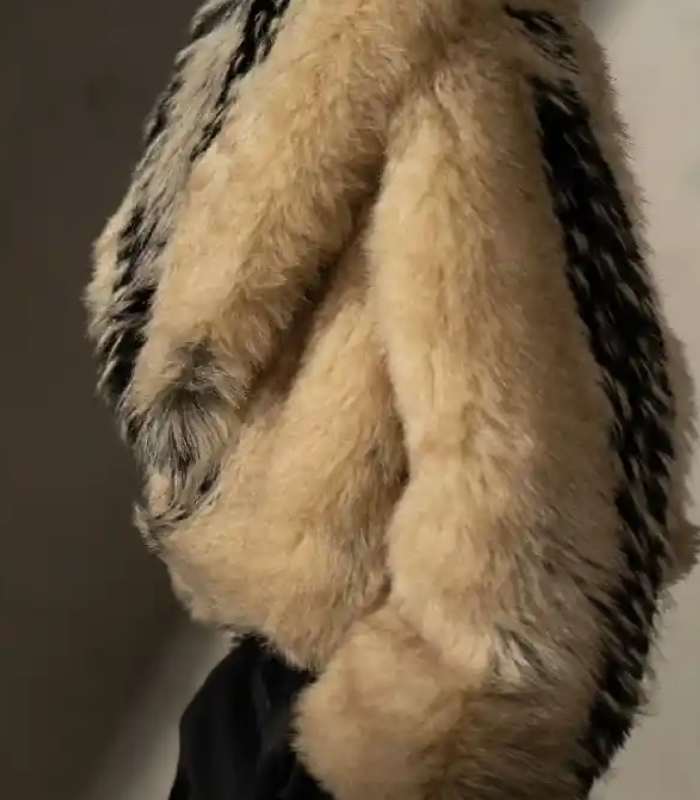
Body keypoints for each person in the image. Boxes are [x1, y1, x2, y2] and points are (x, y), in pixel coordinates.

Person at [85, 1, 697, 798]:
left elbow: (508, 431)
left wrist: (445, 729)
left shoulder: (456, 51)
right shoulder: (283, 36)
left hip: (356, 708)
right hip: (285, 680)